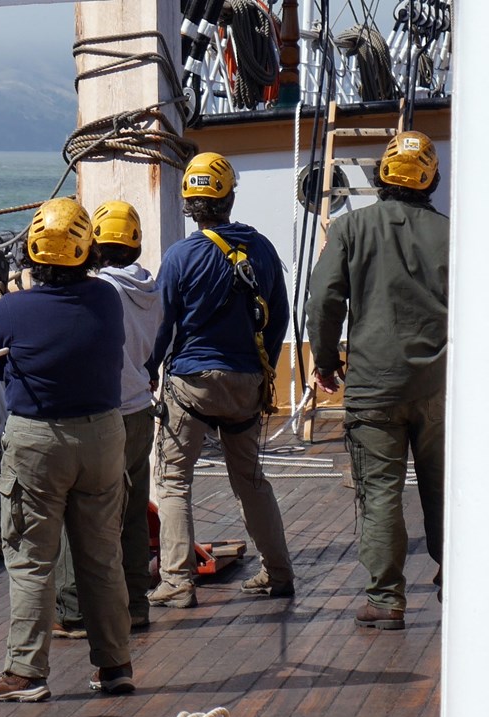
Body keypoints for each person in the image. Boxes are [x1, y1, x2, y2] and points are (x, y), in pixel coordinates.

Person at [0, 197, 134, 703]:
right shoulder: (108, 298)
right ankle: (115, 666)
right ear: (87, 251)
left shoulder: (13, 307)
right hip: (104, 437)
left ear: (32, 252)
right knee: (102, 558)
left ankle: (25, 671)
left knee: (30, 561)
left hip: (39, 442)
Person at [306, 131, 448, 631]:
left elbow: (324, 300)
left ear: (383, 177)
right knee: (444, 486)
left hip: (373, 387)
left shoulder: (351, 228)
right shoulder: (454, 234)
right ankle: (456, 574)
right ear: (430, 179)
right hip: (438, 385)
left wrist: (324, 362)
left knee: (381, 490)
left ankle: (386, 599)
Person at [145, 152, 295, 609]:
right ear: (228, 198)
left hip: (192, 384)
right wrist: (259, 363)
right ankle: (279, 571)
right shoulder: (262, 248)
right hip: (247, 382)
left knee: (173, 480)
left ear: (190, 203)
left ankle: (176, 582)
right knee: (250, 479)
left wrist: (150, 370)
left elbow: (164, 325)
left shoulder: (180, 256)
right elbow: (279, 317)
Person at [52, 200, 162, 638]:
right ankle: (135, 605)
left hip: (105, 413)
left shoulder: (101, 292)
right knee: (133, 514)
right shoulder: (150, 289)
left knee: (81, 513)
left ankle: (75, 608)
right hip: (141, 411)